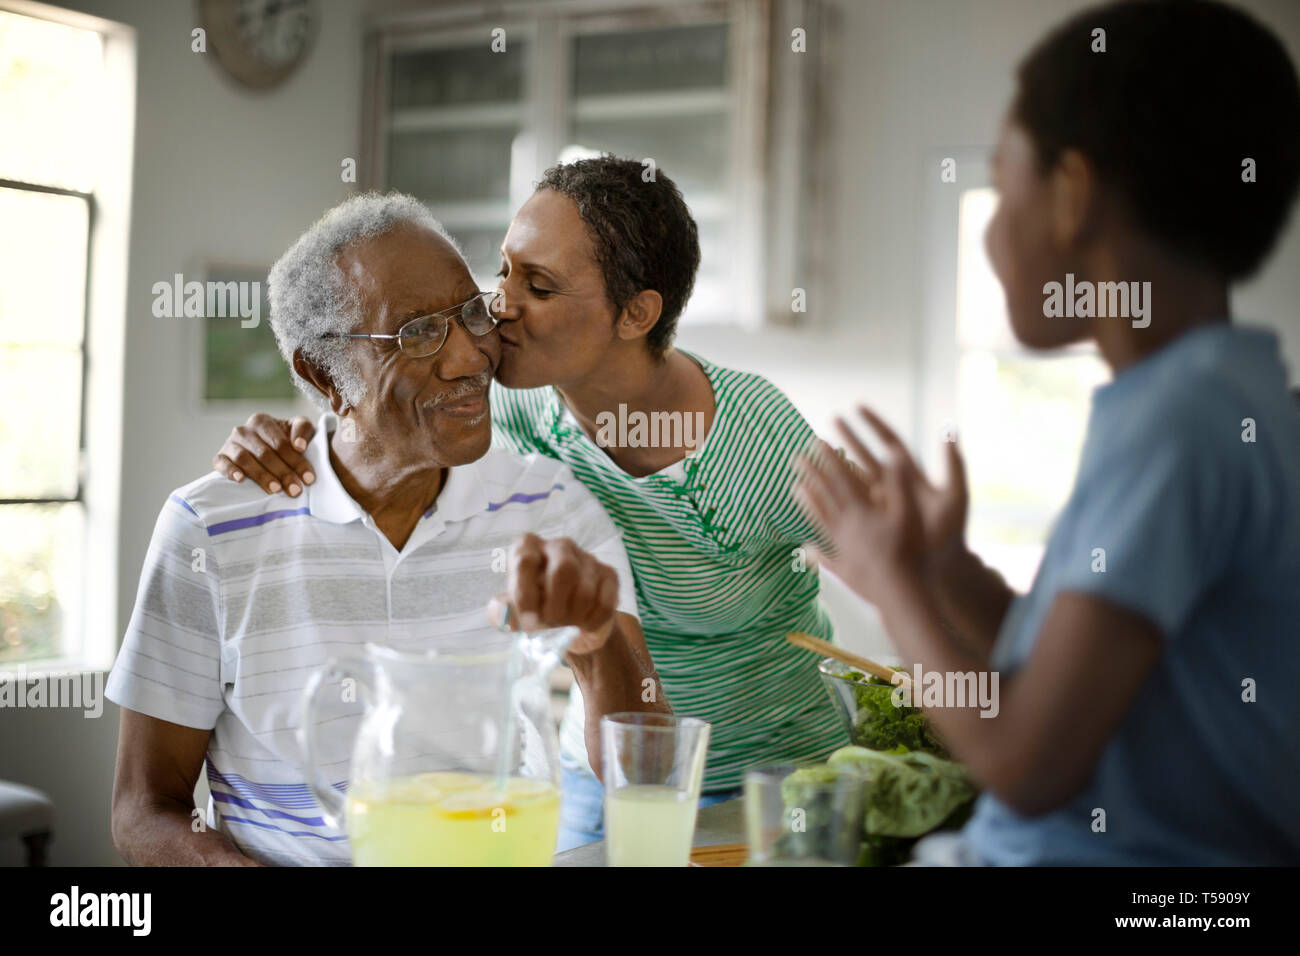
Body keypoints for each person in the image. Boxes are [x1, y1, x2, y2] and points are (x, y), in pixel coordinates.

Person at [208, 157, 849, 849]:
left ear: (636, 313)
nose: (500, 306)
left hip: (771, 776)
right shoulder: (508, 413)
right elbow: (381, 418)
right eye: (504, 270)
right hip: (596, 765)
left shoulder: (753, 444)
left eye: (538, 286)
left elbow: (901, 570)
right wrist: (290, 435)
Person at [794, 0, 1300, 865]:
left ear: (1074, 193)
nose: (992, 231)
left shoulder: (1179, 424)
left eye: (1001, 179)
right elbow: (1072, 684)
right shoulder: (1228, 396)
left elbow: (1024, 762)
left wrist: (893, 585)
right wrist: (944, 572)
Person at [106, 194, 665, 866]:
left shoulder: (549, 505)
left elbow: (649, 776)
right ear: (323, 374)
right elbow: (145, 811)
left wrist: (595, 640)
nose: (469, 358)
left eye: (469, 313)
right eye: (419, 333)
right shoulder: (209, 532)